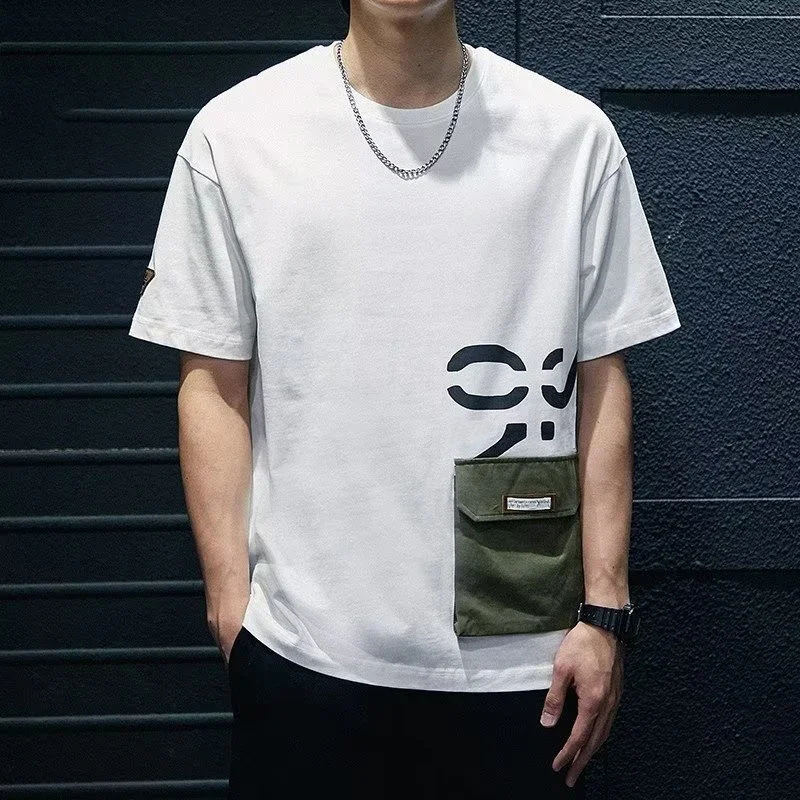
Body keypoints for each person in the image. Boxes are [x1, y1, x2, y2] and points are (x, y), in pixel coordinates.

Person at [128, 1, 681, 796]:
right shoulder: (239, 134)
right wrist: (229, 601)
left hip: (525, 666)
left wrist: (606, 611)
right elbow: (213, 381)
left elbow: (603, 378)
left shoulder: (571, 137)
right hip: (305, 655)